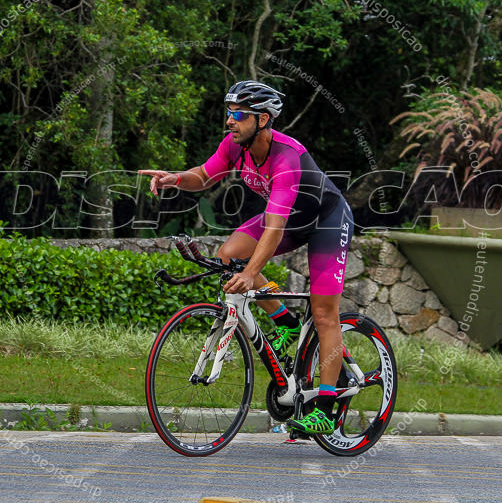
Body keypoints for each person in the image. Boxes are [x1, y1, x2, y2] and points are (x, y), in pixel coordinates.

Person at [140, 80, 353, 435]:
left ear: (264, 119)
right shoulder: (235, 145)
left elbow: (273, 229)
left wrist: (252, 272)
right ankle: (283, 320)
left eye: (239, 114)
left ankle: (327, 407)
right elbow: (205, 176)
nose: (230, 121)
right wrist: (174, 178)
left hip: (326, 222)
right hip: (286, 220)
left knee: (323, 313)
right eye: (229, 113)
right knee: (228, 255)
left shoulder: (286, 156)